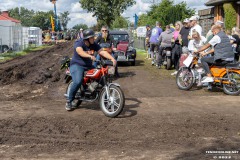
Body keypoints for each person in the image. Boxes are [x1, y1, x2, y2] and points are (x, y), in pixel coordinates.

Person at [66, 29, 117, 111]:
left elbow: (102, 52)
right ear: (87, 39)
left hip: (88, 65)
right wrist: (89, 56)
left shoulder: (94, 44)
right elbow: (80, 52)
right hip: (77, 65)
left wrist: (112, 58)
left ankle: (103, 98)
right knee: (78, 81)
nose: (94, 38)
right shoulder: (79, 43)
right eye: (92, 37)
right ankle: (69, 101)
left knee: (100, 76)